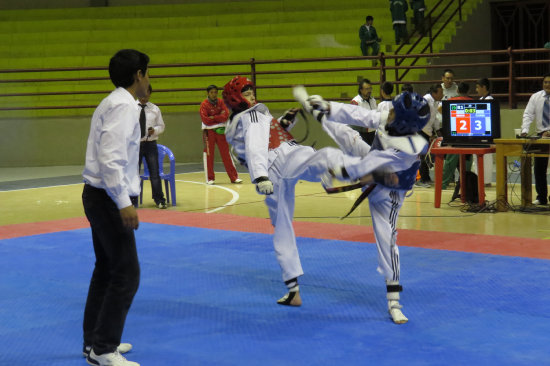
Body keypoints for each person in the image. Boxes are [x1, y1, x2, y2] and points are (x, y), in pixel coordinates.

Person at [222, 76, 391, 309]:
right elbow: (255, 144)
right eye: (246, 93)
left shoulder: (245, 118)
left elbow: (263, 136)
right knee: (319, 161)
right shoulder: (253, 113)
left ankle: (293, 290)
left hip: (278, 162)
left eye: (252, 91)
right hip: (276, 162)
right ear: (235, 98)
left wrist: (283, 123)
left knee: (284, 220)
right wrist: (259, 175)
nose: (252, 95)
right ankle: (355, 173)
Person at [300, 90, 431, 324]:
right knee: (347, 135)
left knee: (387, 239)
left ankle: (394, 301)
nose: (387, 111)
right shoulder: (388, 114)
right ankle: (320, 113)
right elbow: (359, 115)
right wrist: (328, 107)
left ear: (403, 122)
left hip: (388, 193)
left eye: (393, 111)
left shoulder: (411, 147)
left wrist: (339, 172)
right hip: (373, 160)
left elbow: (368, 167)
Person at [81, 49, 149, 366]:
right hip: (109, 198)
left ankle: (93, 342)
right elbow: (111, 159)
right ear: (138, 75)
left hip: (97, 195)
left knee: (106, 269)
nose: (149, 80)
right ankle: (103, 348)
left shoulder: (113, 101)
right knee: (126, 273)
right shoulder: (124, 106)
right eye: (147, 73)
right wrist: (124, 202)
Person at [199, 84, 242, 185]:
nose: (214, 94)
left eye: (215, 92)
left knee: (226, 154)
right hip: (208, 132)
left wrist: (213, 117)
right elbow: (205, 120)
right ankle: (210, 178)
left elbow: (225, 115)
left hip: (221, 131)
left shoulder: (221, 102)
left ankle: (234, 177)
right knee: (209, 155)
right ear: (208, 93)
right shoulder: (204, 104)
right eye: (211, 92)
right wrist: (218, 117)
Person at [520, 73, 550, 205]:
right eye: (545, 82)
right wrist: (525, 130)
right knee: (539, 168)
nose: (547, 85)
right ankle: (541, 197)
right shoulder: (535, 97)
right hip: (540, 136)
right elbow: (528, 114)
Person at [138, 84, 168, 209]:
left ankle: (159, 199)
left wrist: (154, 130)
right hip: (135, 145)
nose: (144, 97)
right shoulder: (130, 109)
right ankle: (131, 200)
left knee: (154, 173)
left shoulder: (155, 109)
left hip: (150, 144)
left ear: (150, 94)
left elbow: (161, 126)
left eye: (147, 94)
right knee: (132, 173)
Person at [441, 82, 474, 190]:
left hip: (454, 137)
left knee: (450, 161)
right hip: (469, 137)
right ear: (468, 91)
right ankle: (466, 185)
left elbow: (440, 109)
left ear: (457, 90)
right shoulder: (473, 102)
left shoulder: (450, 101)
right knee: (467, 161)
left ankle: (443, 185)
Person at [416, 83, 443, 187]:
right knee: (422, 155)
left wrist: (438, 130)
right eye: (441, 92)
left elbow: (434, 119)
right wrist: (431, 134)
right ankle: (421, 180)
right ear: (434, 93)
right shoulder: (425, 101)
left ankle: (426, 178)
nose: (442, 94)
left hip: (426, 131)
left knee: (426, 156)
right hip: (420, 130)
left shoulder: (435, 102)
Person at [476, 78, 494, 187]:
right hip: (479, 133)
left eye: (478, 87)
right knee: (478, 158)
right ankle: (480, 180)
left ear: (484, 87)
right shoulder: (482, 99)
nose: (476, 89)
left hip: (486, 134)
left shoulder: (489, 99)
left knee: (486, 158)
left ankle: (486, 181)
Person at [351, 79, 378, 144]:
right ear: (361, 90)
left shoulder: (373, 100)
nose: (369, 91)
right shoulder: (355, 102)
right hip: (361, 134)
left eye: (370, 88)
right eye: (366, 89)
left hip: (373, 134)